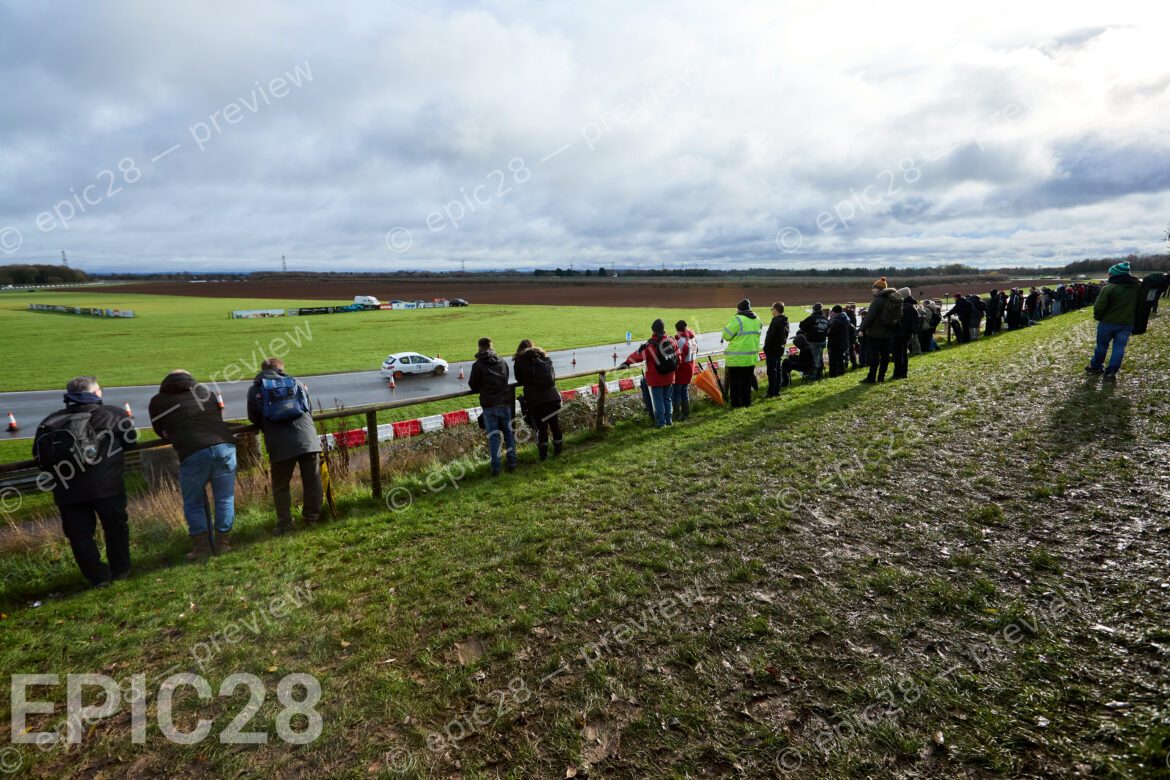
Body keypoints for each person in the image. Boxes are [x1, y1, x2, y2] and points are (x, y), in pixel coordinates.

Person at [32, 376, 135, 587]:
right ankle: (121, 571)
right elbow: (130, 442)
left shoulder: (50, 422)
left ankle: (98, 577)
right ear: (96, 393)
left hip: (68, 491)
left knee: (80, 536)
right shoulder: (114, 414)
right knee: (115, 529)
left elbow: (39, 456)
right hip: (108, 485)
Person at [148, 369, 238, 559]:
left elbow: (161, 431)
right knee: (224, 498)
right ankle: (223, 543)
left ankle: (202, 547)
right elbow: (217, 416)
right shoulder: (205, 392)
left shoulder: (158, 401)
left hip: (193, 451)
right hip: (223, 445)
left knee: (193, 501)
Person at [246, 357, 322, 535]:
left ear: (262, 370)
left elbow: (253, 417)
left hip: (279, 442)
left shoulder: (255, 389)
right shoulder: (295, 382)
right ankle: (312, 519)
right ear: (281, 369)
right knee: (312, 480)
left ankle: (285, 524)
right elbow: (308, 408)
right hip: (307, 439)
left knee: (281, 485)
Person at [468, 337, 518, 475]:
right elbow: (506, 377)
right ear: (491, 346)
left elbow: (472, 385)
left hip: (489, 406)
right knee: (509, 434)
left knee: (494, 438)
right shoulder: (501, 361)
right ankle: (512, 463)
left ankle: (496, 468)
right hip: (504, 403)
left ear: (479, 347)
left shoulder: (477, 365)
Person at [1086, 262, 1141, 379]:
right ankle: (1111, 371)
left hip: (1107, 322)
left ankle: (1096, 366)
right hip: (1127, 323)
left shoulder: (1109, 288)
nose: (1108, 275)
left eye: (1110, 273)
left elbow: (1099, 307)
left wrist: (1098, 317)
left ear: (1115, 275)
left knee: (1101, 346)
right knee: (1119, 348)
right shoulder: (1137, 287)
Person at [620, 319, 679, 427]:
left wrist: (627, 362)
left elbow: (638, 356)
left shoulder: (650, 344)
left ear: (653, 330)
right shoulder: (672, 340)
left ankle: (661, 423)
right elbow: (678, 356)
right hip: (670, 376)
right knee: (667, 399)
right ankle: (669, 421)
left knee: (658, 401)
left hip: (656, 378)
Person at [513, 339, 563, 459]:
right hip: (552, 397)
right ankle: (558, 452)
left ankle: (543, 456)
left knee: (541, 428)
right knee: (555, 424)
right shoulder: (544, 357)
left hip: (535, 400)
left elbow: (519, 379)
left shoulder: (520, 361)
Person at [858, 277, 901, 384]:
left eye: (874, 288)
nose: (872, 290)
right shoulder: (892, 299)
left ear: (879, 289)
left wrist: (861, 329)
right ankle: (881, 377)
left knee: (874, 356)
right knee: (885, 356)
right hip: (888, 332)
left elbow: (869, 317)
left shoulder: (877, 300)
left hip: (875, 333)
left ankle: (871, 378)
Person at [721, 299, 762, 407]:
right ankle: (746, 402)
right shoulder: (757, 319)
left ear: (739, 309)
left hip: (737, 358)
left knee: (735, 383)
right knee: (747, 382)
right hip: (751, 358)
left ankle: (736, 404)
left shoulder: (738, 319)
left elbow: (726, 335)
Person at [890, 287, 918, 380]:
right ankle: (904, 373)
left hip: (898, 332)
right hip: (907, 333)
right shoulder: (911, 306)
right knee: (904, 353)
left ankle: (897, 373)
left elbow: (896, 320)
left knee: (897, 354)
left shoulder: (902, 307)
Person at [762, 302, 790, 397]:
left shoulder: (776, 321)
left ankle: (771, 393)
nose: (771, 311)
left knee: (772, 372)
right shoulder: (785, 321)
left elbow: (770, 337)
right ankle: (776, 391)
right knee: (778, 371)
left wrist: (765, 348)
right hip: (779, 350)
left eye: (772, 309)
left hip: (772, 350)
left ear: (775, 310)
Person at [673, 321, 698, 420]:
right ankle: (686, 412)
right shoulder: (693, 339)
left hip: (681, 371)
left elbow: (678, 359)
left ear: (677, 330)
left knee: (677, 393)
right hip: (690, 369)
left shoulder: (681, 341)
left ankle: (677, 414)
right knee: (684, 391)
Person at [799, 303, 830, 379]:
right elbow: (828, 329)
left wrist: (808, 330)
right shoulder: (825, 319)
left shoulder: (812, 318)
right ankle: (820, 373)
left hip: (813, 341)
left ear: (813, 310)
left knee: (815, 359)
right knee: (819, 357)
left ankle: (815, 376)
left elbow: (802, 326)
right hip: (822, 341)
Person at [826, 305, 854, 377]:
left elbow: (830, 333)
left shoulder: (836, 321)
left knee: (833, 360)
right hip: (844, 342)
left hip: (835, 343)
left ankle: (833, 374)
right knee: (840, 359)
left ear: (835, 312)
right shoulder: (846, 319)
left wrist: (828, 330)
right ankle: (841, 372)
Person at [844, 303, 860, 368]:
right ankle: (854, 364)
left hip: (847, 336)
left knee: (846, 352)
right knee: (851, 351)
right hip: (852, 336)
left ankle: (846, 364)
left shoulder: (847, 317)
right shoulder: (853, 315)